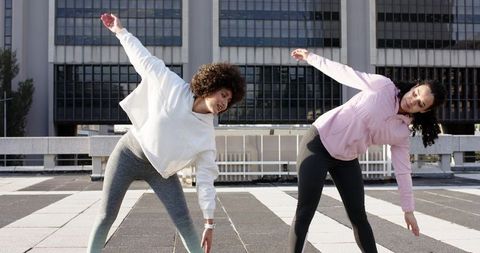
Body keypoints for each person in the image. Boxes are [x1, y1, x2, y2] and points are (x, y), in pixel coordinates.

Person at [87, 13, 245, 253]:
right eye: (223, 94)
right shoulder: (173, 87)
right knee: (106, 216)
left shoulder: (206, 136)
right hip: (128, 154)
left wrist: (210, 222)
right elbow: (145, 61)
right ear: (210, 86)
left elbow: (205, 181)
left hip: (161, 171)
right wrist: (121, 32)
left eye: (229, 100)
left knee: (185, 223)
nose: (225, 102)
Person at [288, 48, 446, 253]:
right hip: (320, 141)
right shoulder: (384, 87)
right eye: (416, 93)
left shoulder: (401, 132)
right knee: (305, 210)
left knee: (358, 216)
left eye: (420, 103)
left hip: (346, 158)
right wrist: (311, 58)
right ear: (415, 86)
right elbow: (345, 73)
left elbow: (403, 171)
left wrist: (408, 210)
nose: (413, 100)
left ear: (424, 111)